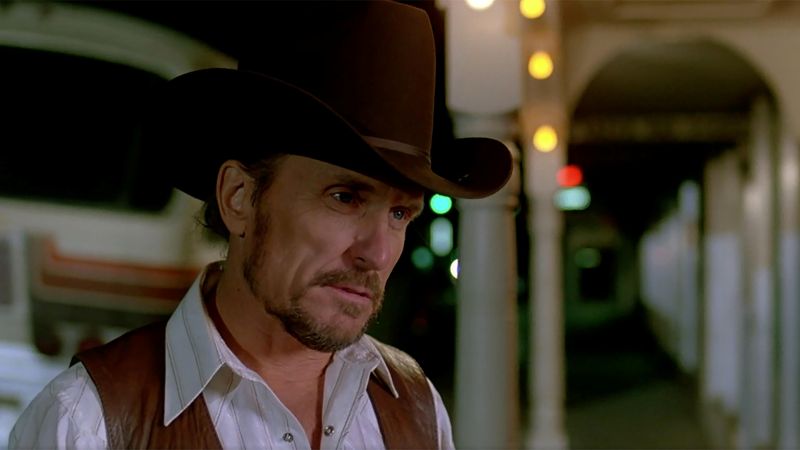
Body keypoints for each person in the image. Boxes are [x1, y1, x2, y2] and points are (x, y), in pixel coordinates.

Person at [9, 1, 512, 448]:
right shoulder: (87, 423)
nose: (377, 253)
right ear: (239, 198)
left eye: (400, 214)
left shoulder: (416, 407)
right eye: (344, 197)